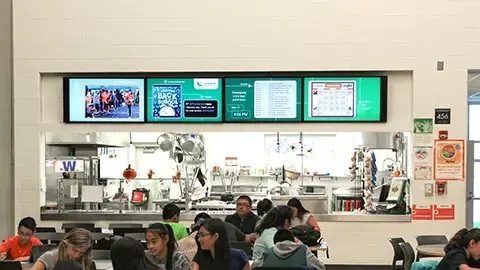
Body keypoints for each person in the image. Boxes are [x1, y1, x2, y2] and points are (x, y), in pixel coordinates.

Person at [251, 229, 325, 269]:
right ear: (292, 240)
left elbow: (253, 267)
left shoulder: (267, 253)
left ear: (275, 242)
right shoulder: (303, 251)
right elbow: (321, 267)